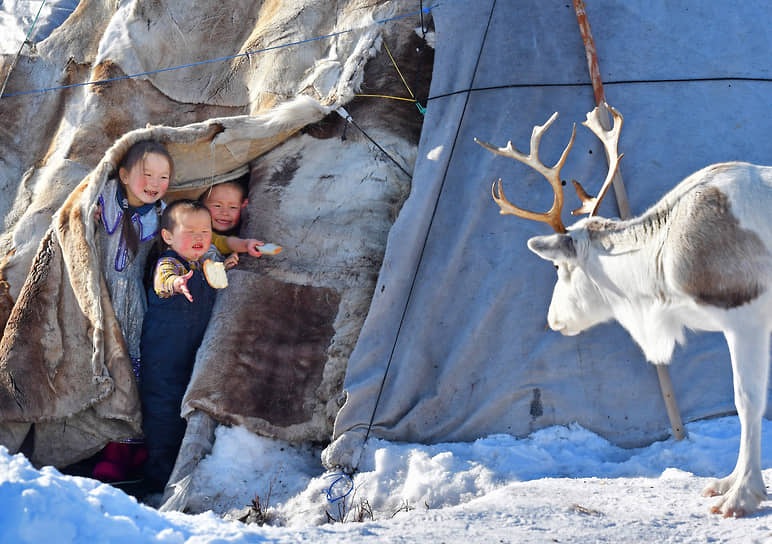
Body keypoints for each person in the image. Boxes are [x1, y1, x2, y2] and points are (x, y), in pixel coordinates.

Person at [92, 140, 173, 483]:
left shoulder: (162, 213)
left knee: (131, 374)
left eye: (164, 176)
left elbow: (194, 238)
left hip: (133, 308)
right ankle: (101, 443)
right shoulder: (104, 197)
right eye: (147, 174)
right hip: (98, 298)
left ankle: (125, 447)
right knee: (102, 370)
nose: (155, 183)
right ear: (124, 175)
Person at [139, 199, 220, 494]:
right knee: (163, 412)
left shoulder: (205, 263)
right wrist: (176, 284)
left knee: (186, 411)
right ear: (169, 236)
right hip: (164, 354)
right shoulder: (170, 263)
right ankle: (157, 477)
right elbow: (164, 280)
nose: (199, 238)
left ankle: (181, 470)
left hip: (192, 352)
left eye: (205, 231)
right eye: (190, 232)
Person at [200, 179, 264, 269]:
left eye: (233, 207)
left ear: (244, 206)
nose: (225, 212)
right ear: (201, 206)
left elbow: (228, 242)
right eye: (217, 206)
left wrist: (246, 244)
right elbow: (224, 242)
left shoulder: (245, 230)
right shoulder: (201, 232)